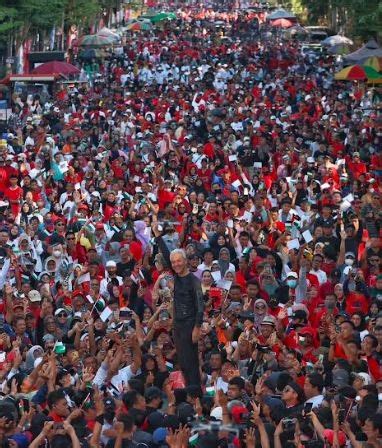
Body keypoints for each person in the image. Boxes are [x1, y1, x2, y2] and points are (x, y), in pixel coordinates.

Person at [170, 248, 204, 386]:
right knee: (182, 362)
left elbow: (200, 306)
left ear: (185, 261)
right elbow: (167, 256)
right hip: (178, 325)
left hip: (190, 325)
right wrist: (158, 236)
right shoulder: (177, 277)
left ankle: (195, 394)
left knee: (191, 363)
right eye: (173, 262)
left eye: (179, 261)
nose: (176, 264)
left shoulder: (194, 281)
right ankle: (189, 392)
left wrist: (197, 327)